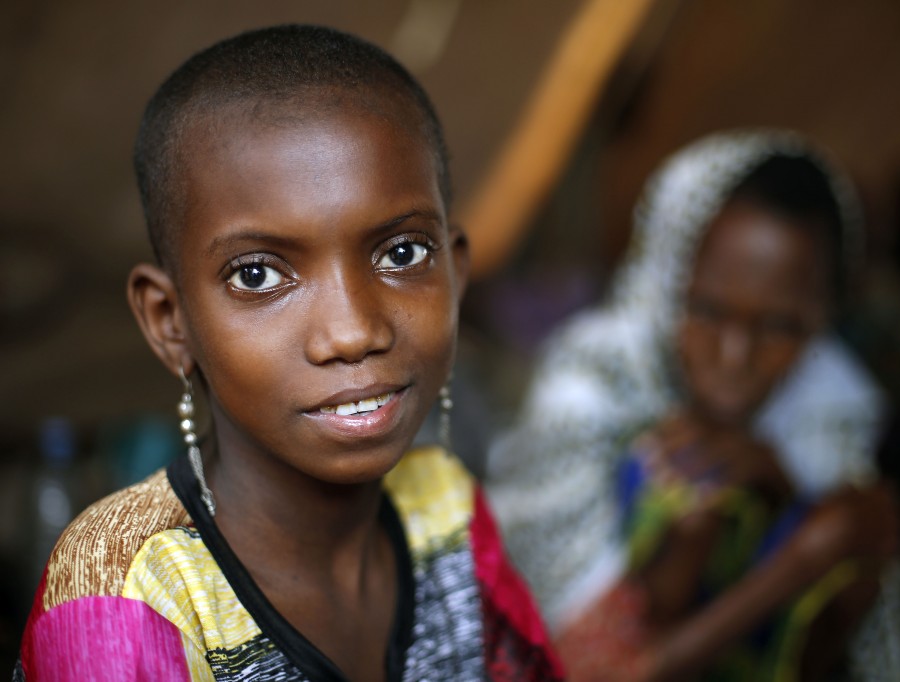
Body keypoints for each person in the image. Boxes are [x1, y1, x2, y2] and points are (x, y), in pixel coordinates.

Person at [15, 25, 562, 682]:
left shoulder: (443, 512)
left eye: (402, 254)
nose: (354, 332)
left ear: (456, 272)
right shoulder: (119, 593)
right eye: (257, 275)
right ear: (170, 321)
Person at [486, 130, 900, 680]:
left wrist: (779, 485)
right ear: (663, 282)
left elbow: (831, 647)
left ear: (824, 314)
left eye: (782, 326)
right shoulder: (593, 388)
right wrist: (803, 558)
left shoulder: (828, 411)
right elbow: (584, 666)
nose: (735, 358)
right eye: (709, 311)